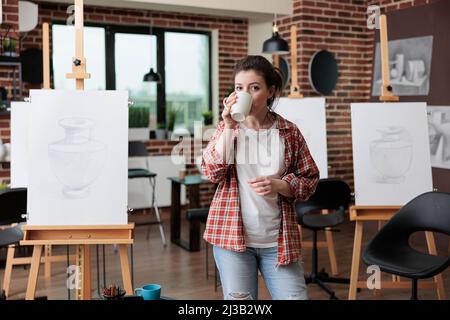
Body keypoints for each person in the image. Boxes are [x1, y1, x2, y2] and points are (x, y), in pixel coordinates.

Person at [201, 55, 320, 300]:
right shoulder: (227, 129)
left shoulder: (288, 131)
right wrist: (229, 125)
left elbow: (310, 179)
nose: (246, 94)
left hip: (278, 241)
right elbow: (212, 172)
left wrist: (282, 185)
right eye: (239, 88)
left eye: (254, 88)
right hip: (232, 240)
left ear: (270, 91)